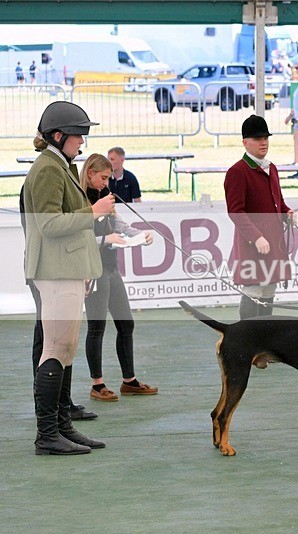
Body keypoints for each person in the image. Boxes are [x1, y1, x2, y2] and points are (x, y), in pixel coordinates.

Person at [23, 101, 115, 455]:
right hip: (55, 271)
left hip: (67, 270)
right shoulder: (48, 169)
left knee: (64, 350)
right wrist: (92, 211)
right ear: (58, 136)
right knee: (56, 349)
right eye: (79, 135)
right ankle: (48, 434)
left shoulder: (59, 165)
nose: (82, 142)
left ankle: (61, 426)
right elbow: (49, 225)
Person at [80, 153, 157, 402]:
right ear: (90, 173)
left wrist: (140, 233)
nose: (106, 184)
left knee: (126, 323)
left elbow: (120, 225)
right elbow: (76, 238)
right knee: (97, 327)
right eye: (103, 178)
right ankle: (97, 384)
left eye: (109, 179)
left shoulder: (106, 197)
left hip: (111, 268)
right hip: (93, 270)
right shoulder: (79, 201)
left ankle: (129, 380)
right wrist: (105, 239)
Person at [19, 187, 98, 421]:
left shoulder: (58, 172)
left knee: (59, 343)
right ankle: (50, 414)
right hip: (49, 268)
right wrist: (93, 212)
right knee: (49, 341)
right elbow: (49, 227)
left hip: (56, 267)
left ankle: (60, 410)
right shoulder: (46, 174)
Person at [225, 115, 296, 320]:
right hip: (253, 244)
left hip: (274, 241)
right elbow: (235, 211)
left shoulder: (271, 168)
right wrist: (256, 237)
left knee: (269, 289)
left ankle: (264, 340)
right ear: (245, 142)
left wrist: (287, 214)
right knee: (254, 289)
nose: (263, 142)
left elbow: (278, 202)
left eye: (265, 137)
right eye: (257, 139)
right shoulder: (237, 171)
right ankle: (248, 341)